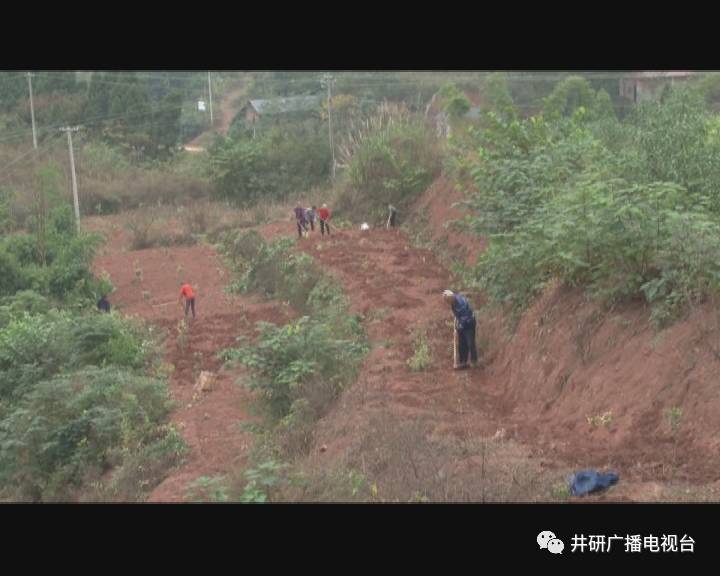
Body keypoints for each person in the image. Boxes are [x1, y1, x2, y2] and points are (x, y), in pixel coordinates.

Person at [443, 289, 478, 369]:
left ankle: (474, 361)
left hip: (469, 323)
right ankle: (463, 362)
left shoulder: (461, 303)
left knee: (470, 342)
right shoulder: (453, 303)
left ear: (451, 298)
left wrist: (459, 327)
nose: (448, 303)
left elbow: (466, 317)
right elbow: (458, 315)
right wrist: (457, 325)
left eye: (448, 301)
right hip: (462, 323)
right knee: (462, 344)